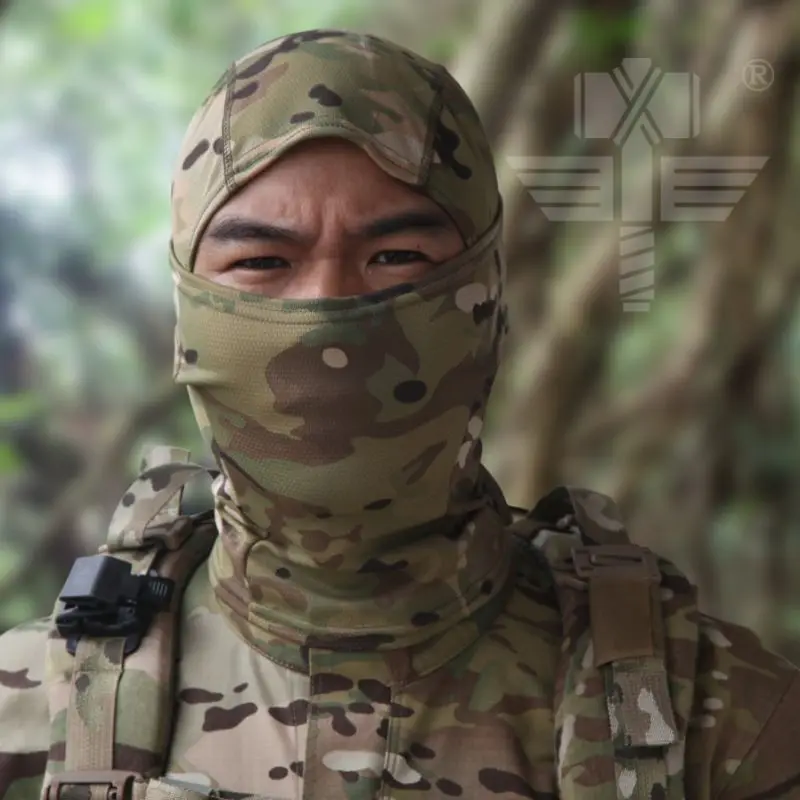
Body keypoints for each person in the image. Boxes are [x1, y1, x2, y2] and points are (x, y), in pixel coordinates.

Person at [1, 29, 799, 800]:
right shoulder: (28, 716)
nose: (327, 313)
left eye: (396, 258)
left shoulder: (725, 727)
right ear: (188, 318)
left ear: (487, 304)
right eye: (262, 262)